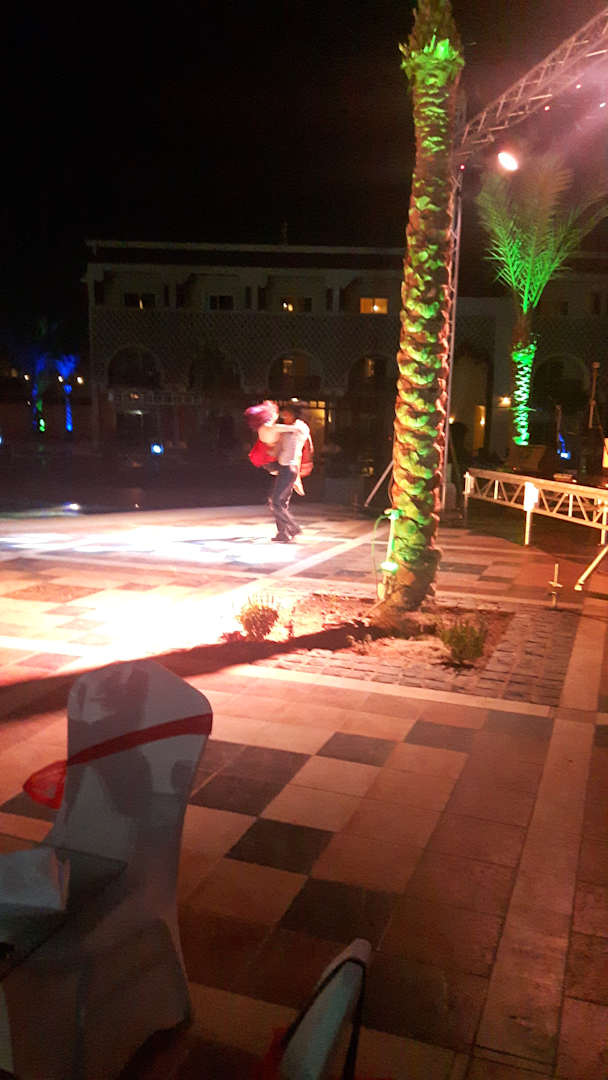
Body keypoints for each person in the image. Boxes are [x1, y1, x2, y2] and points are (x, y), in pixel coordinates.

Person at [267, 401, 311, 542]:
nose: (284, 415)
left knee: (275, 501)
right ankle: (283, 533)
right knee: (281, 502)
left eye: (286, 413)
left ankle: (293, 527)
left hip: (290, 468)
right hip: (284, 467)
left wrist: (273, 426)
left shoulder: (299, 427)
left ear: (293, 414)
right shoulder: (285, 431)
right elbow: (277, 448)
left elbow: (300, 436)